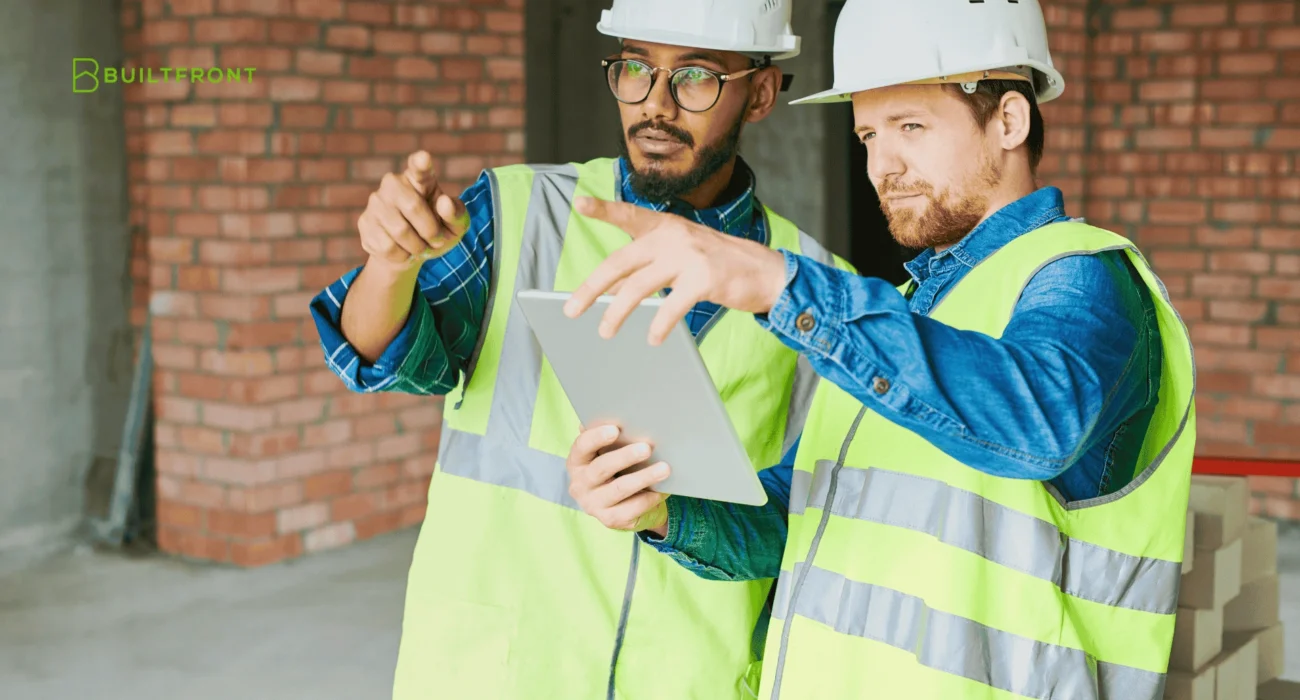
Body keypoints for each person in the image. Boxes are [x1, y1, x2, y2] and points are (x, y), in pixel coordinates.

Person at [561, 0, 1197, 697]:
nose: (882, 166)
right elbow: (792, 517)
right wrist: (664, 512)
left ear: (1009, 121)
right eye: (867, 135)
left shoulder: (1082, 276)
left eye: (911, 127)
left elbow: (1036, 422)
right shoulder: (903, 309)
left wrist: (777, 282)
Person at [308, 1, 854, 697]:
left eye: (694, 77)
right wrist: (390, 264)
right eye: (634, 68)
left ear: (762, 94)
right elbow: (376, 358)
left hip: (689, 681)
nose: (654, 105)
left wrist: (671, 517)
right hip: (494, 676)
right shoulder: (521, 211)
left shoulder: (814, 290)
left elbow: (799, 523)